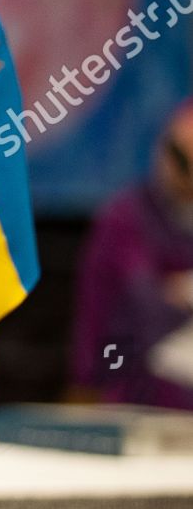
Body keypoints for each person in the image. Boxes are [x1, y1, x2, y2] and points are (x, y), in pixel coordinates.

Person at [70, 102, 193, 410]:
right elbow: (141, 303)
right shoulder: (126, 218)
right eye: (175, 153)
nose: (177, 167)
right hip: (131, 386)